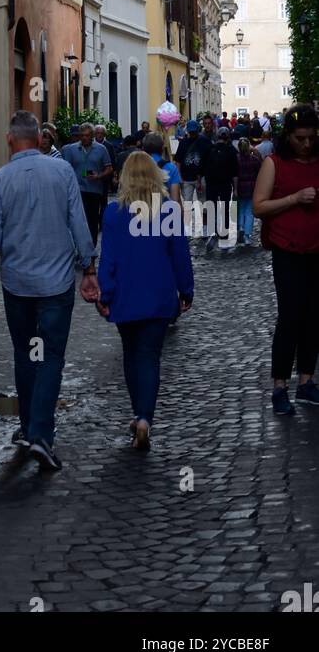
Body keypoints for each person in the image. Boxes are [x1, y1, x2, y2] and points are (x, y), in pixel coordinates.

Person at [0, 111, 99, 470]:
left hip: (18, 285)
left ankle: (29, 427)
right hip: (57, 284)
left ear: (11, 140)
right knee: (51, 356)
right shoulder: (62, 172)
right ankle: (41, 433)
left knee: (27, 353)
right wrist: (88, 269)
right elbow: (79, 223)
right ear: (38, 138)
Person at [97, 152, 194, 450]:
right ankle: (144, 418)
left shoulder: (113, 213)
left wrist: (105, 292)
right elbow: (180, 255)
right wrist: (185, 290)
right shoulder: (167, 210)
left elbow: (108, 258)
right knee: (150, 357)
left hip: (126, 295)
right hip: (158, 295)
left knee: (131, 354)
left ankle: (138, 411)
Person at [253, 104, 319, 415]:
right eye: (300, 138)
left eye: (311, 137)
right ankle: (280, 386)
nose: (307, 144)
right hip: (287, 251)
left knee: (313, 317)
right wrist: (294, 199)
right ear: (288, 137)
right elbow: (259, 207)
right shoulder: (274, 163)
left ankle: (307, 381)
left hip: (316, 250)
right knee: (290, 317)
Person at [61, 124, 113, 243]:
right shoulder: (71, 149)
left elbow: (109, 168)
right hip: (77, 190)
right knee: (78, 218)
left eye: (87, 135)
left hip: (94, 190)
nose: (84, 138)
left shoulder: (101, 149)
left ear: (92, 136)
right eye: (82, 135)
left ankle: (92, 244)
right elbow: (66, 169)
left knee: (92, 219)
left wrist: (98, 176)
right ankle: (79, 244)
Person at [203, 126, 239, 254]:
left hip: (211, 183)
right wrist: (235, 189)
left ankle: (212, 233)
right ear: (228, 137)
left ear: (217, 136)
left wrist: (199, 181)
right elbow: (235, 172)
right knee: (224, 210)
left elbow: (202, 167)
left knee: (211, 208)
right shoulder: (231, 150)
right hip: (225, 184)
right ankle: (223, 238)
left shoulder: (209, 149)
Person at [175, 119, 211, 238]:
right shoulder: (183, 143)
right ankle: (186, 227)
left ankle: (205, 227)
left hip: (202, 177)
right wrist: (179, 177)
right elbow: (178, 161)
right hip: (186, 178)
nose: (192, 134)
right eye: (190, 132)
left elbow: (210, 158)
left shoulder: (205, 142)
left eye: (193, 132)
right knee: (187, 204)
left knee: (204, 203)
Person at [141, 132, 181, 204]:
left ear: (143, 149)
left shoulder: (137, 166)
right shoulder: (171, 168)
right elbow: (175, 199)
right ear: (162, 148)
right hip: (163, 211)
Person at [235, 137, 261, 246]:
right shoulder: (254, 160)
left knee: (240, 209)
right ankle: (247, 235)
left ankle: (240, 226)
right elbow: (261, 170)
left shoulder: (236, 160)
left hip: (240, 186)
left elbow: (234, 175)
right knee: (249, 212)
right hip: (251, 187)